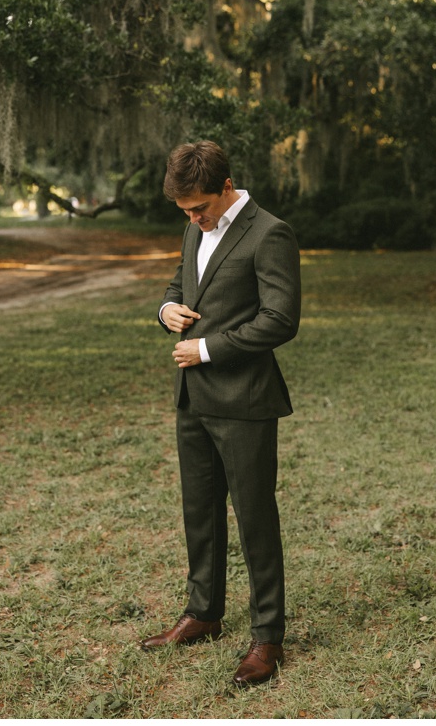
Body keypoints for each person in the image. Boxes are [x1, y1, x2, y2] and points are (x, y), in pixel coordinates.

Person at [141, 140, 301, 686]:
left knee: (255, 518)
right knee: (199, 513)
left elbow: (280, 320)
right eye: (185, 212)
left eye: (199, 208)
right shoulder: (194, 225)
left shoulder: (269, 232)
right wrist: (167, 310)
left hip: (246, 401)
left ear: (226, 187)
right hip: (193, 399)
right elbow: (179, 285)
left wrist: (206, 348)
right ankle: (204, 613)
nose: (192, 219)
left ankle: (267, 637)